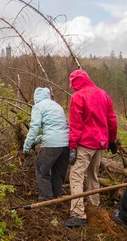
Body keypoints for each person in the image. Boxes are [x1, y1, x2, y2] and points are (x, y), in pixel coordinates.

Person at [64, 70, 117, 228]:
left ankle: (78, 213)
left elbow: (76, 125)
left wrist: (72, 146)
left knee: (76, 175)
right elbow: (111, 119)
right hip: (100, 143)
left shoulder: (78, 97)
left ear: (75, 82)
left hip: (85, 143)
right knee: (93, 175)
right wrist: (111, 139)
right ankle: (95, 206)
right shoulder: (103, 94)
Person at [23, 87, 70, 202]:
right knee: (58, 173)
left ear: (36, 97)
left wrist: (26, 146)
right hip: (66, 144)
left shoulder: (38, 107)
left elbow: (34, 127)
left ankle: (46, 198)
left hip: (51, 145)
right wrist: (37, 141)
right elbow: (55, 129)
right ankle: (57, 198)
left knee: (41, 170)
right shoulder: (57, 106)